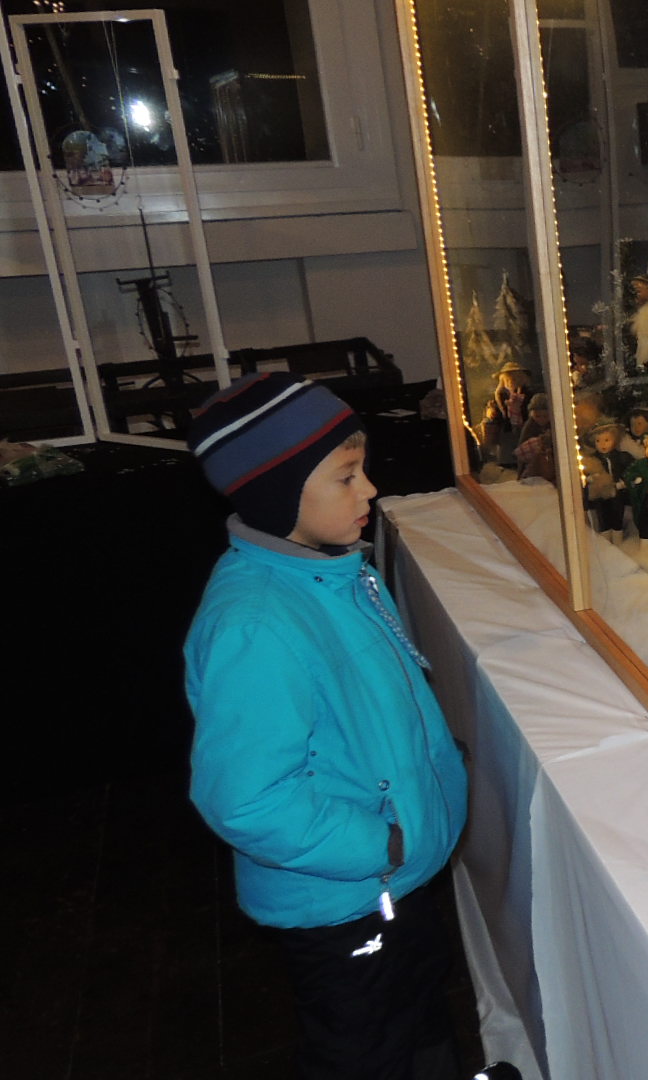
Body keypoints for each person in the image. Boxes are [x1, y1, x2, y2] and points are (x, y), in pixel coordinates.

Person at [184, 373, 470, 1078]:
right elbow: (247, 799)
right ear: (277, 491)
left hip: (390, 884)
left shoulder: (333, 574)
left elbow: (373, 710)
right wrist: (384, 841)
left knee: (419, 1016)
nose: (368, 489)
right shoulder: (256, 626)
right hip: (346, 897)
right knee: (363, 1051)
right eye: (346, 476)